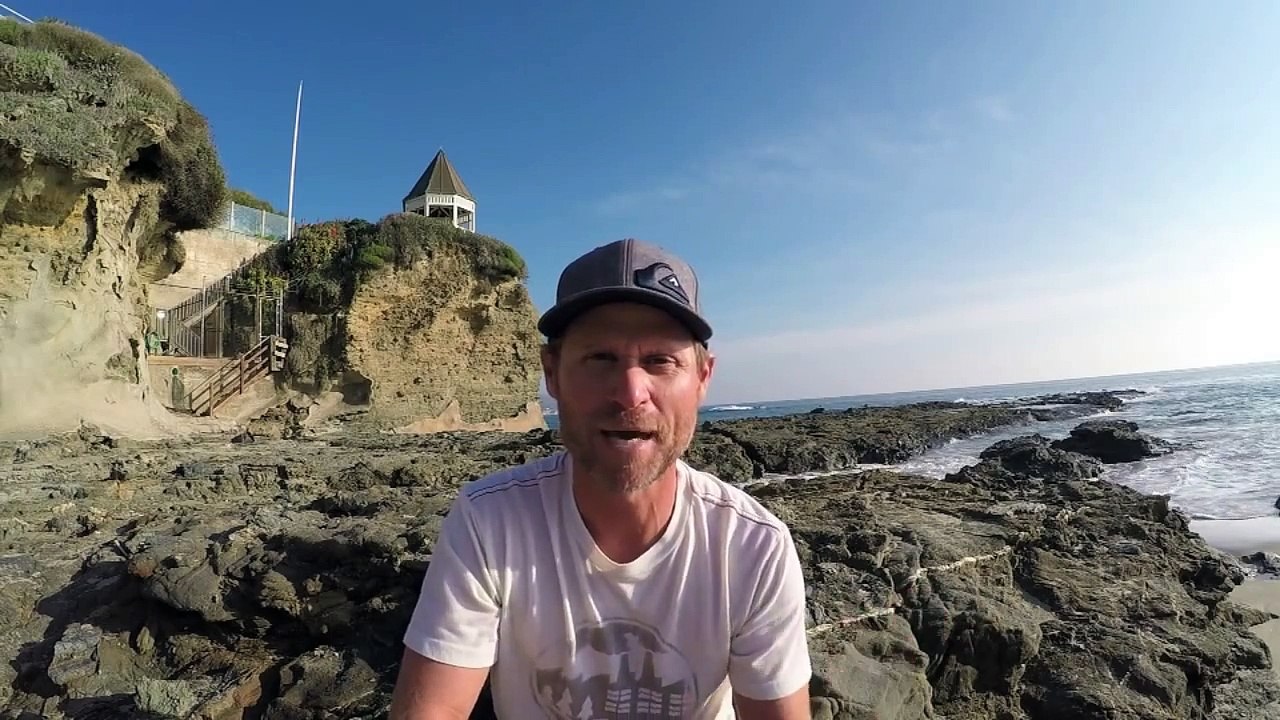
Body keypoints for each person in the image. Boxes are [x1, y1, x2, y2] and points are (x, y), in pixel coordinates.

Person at [390, 238, 812, 719]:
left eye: (660, 361)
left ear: (702, 377)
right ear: (552, 373)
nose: (632, 393)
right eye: (600, 359)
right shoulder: (490, 522)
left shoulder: (752, 546)